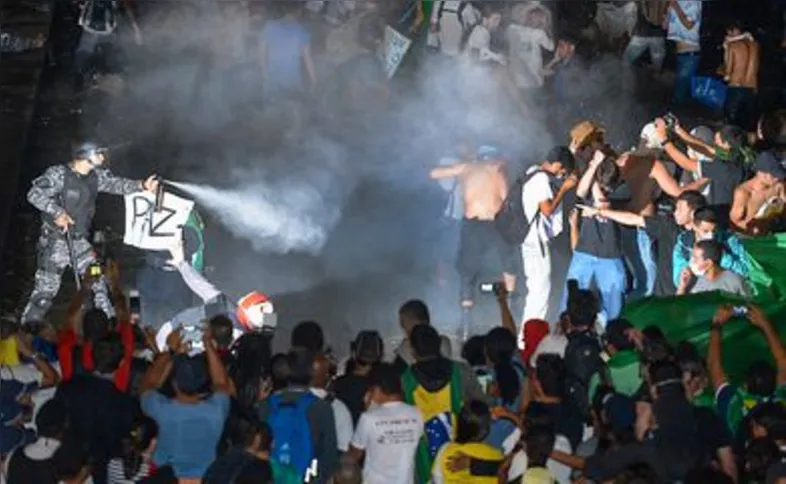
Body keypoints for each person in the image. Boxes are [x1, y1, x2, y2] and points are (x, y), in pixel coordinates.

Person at [21, 142, 158, 324]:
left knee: (98, 280)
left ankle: (107, 327)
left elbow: (116, 184)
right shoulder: (58, 174)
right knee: (45, 294)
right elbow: (34, 193)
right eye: (99, 153)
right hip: (55, 244)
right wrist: (56, 212)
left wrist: (141, 185)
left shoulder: (96, 177)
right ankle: (25, 331)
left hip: (80, 244)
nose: (103, 157)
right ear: (86, 154)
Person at [429, 144, 515, 338]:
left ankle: (468, 323)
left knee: (470, 271)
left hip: (476, 224)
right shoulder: (494, 168)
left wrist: (462, 168)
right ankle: (507, 310)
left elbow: (434, 173)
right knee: (507, 265)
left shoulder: (470, 167)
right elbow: (505, 198)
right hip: (492, 223)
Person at [139, 329, 232, 480]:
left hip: (166, 479)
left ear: (174, 383)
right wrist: (209, 345)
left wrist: (169, 351)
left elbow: (147, 385)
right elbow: (221, 383)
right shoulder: (216, 411)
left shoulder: (160, 410)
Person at [582, 190, 707, 296]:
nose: (675, 213)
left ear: (693, 213)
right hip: (664, 297)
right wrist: (600, 212)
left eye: (680, 209)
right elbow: (634, 219)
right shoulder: (668, 226)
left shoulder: (708, 236)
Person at [518, 146, 577, 335]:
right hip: (536, 244)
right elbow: (547, 209)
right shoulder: (541, 180)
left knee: (537, 288)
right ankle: (529, 336)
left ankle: (528, 333)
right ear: (558, 165)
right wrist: (565, 189)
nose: (563, 176)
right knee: (539, 291)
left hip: (528, 239)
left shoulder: (533, 170)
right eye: (563, 171)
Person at [655, 121, 750, 227]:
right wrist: (677, 128)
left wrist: (664, 140)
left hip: (711, 211)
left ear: (726, 145)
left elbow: (686, 163)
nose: (715, 138)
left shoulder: (723, 167)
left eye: (718, 139)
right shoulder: (738, 156)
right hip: (721, 200)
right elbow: (705, 148)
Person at [566, 157, 627, 323]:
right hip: (585, 253)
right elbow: (580, 192)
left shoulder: (622, 191)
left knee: (613, 309)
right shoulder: (588, 196)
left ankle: (610, 337)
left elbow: (603, 206)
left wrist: (594, 179)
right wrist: (593, 165)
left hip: (610, 257)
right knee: (571, 301)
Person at [346, 363, 423, 484]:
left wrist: (368, 410)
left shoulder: (368, 418)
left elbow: (354, 454)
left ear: (376, 390)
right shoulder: (417, 414)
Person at [137, 209, 204, 330]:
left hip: (171, 282)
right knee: (158, 326)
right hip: (163, 279)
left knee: (170, 326)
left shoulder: (188, 223)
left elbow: (195, 249)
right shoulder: (153, 219)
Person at [672, 206, 749, 288]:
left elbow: (745, 272)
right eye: (705, 231)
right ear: (695, 227)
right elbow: (678, 281)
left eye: (714, 231)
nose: (711, 236)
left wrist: (722, 257)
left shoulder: (729, 241)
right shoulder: (683, 246)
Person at [431, 400, 503, 484]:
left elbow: (436, 479)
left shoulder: (445, 451)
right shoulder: (495, 455)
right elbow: (504, 472)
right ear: (485, 430)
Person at [259, 3, 316, 98]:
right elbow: (308, 60)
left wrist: (265, 78)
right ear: (299, 12)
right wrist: (315, 82)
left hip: (272, 85)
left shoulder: (269, 27)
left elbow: (262, 57)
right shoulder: (302, 31)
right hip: (293, 84)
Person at [730, 151, 786, 235]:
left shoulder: (778, 185)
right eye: (773, 175)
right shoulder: (743, 193)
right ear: (760, 173)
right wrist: (751, 228)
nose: (777, 178)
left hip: (774, 234)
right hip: (752, 240)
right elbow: (734, 224)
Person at [719, 21, 760, 130]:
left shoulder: (732, 46)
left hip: (736, 87)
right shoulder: (755, 45)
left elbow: (728, 73)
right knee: (748, 125)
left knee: (731, 125)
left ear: (731, 31)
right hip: (751, 88)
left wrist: (720, 71)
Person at [676, 239, 751, 297]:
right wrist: (682, 287)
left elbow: (749, 307)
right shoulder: (692, 280)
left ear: (709, 263)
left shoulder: (735, 281)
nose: (692, 261)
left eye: (696, 258)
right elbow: (678, 309)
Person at [666, 0, 702, 105]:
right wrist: (668, 10)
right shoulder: (677, 3)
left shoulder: (694, 2)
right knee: (680, 92)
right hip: (680, 53)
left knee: (679, 95)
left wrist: (675, 6)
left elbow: (689, 24)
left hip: (690, 53)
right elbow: (664, 26)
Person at [624, 0, 668, 71]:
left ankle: (626, 77)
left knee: (626, 61)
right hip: (657, 35)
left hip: (641, 35)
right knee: (657, 64)